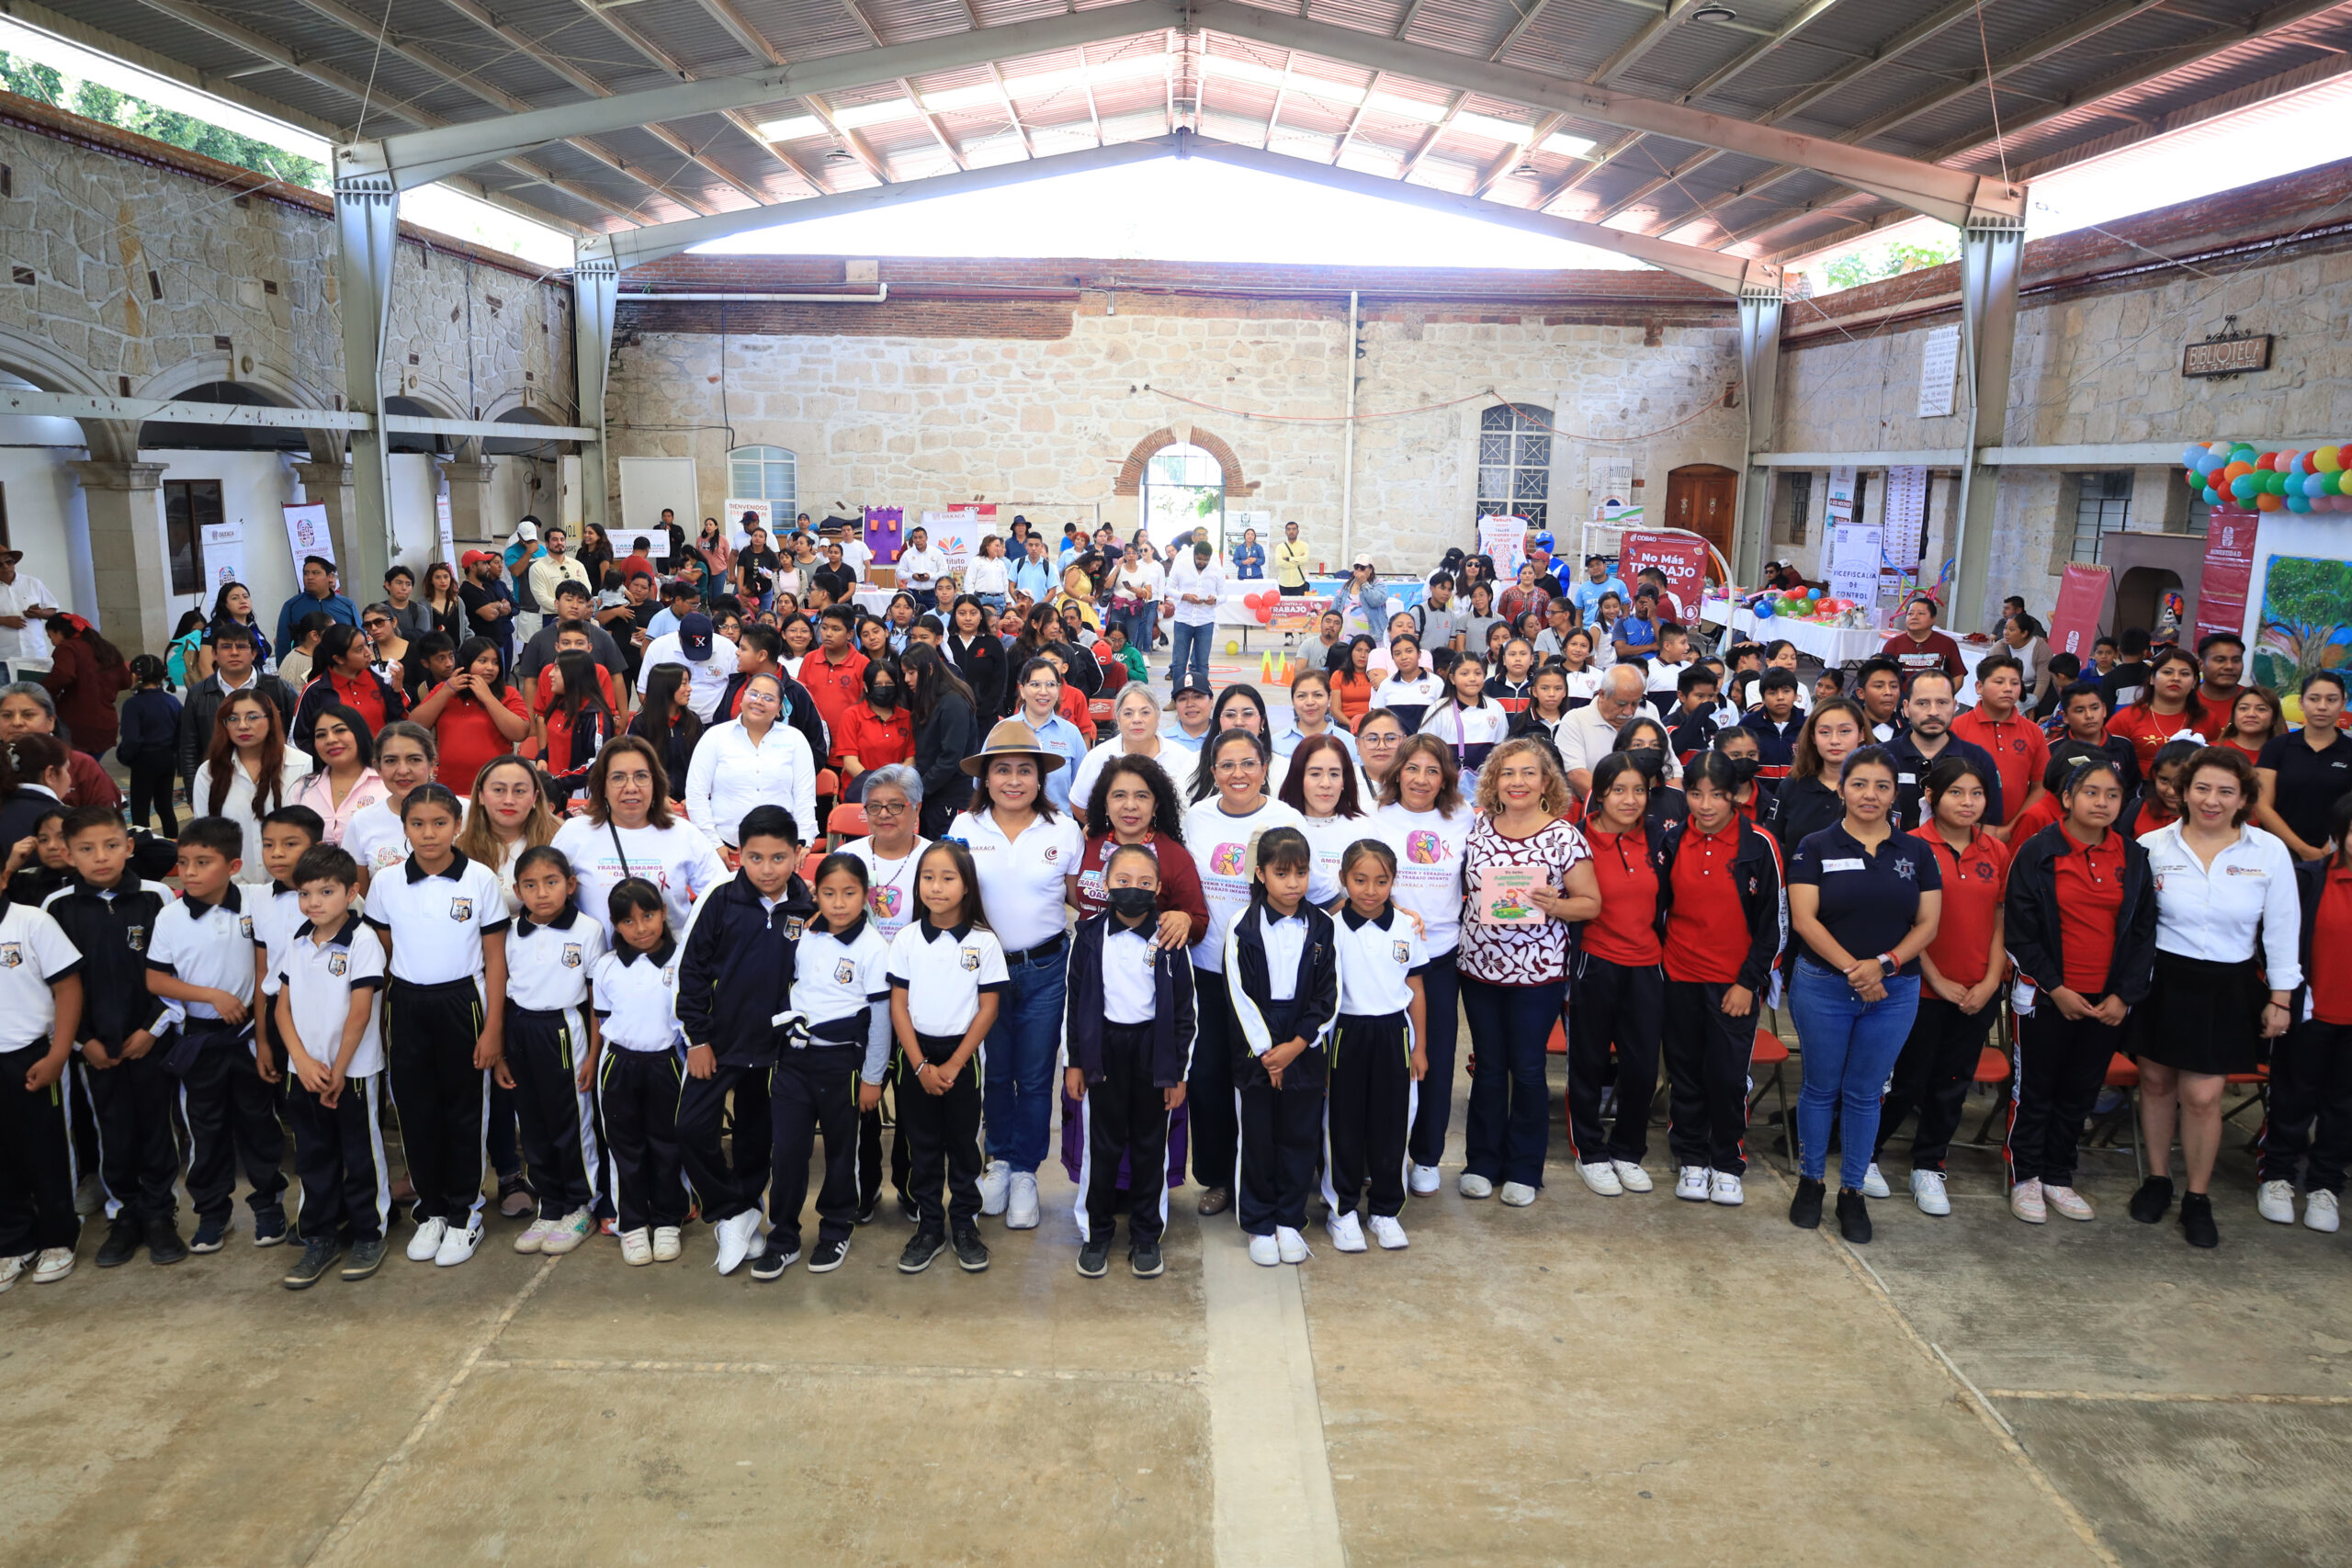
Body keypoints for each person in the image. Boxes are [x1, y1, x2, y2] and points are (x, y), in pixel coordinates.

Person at [2128, 747, 2301, 1248]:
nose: (2212, 800)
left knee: (2202, 1097)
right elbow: (2135, 926)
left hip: (2228, 983)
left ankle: (2197, 1197)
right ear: (2183, 792)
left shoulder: (2267, 851)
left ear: (2245, 797)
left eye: (2226, 791)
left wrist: (2282, 997)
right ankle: (2158, 1179)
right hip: (2163, 977)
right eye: (2202, 788)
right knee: (2156, 1084)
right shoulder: (2151, 845)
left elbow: (2283, 931)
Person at [1783, 747, 1943, 1245]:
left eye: (1881, 786)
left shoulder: (1916, 852)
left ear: (1895, 793)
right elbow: (1805, 920)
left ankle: (1851, 1190)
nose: (1869, 795)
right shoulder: (1815, 846)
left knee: (1865, 1092)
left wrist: (1885, 965)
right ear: (1842, 788)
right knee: (1820, 1087)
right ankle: (1811, 1181)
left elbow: (1928, 923)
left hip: (1894, 990)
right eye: (1859, 784)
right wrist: (1857, 969)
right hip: (1825, 986)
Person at [1998, 758, 2153, 1227]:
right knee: (2035, 1090)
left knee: (2079, 1092)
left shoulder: (2134, 856)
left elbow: (2144, 932)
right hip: (2048, 998)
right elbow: (2020, 932)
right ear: (2067, 798)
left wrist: (2123, 996)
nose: (2102, 803)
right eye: (2091, 793)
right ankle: (2025, 1175)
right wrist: (2057, 988)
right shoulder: (2039, 852)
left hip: (2106, 1003)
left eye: (2112, 795)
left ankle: (2058, 1174)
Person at [361, 783, 509, 1267]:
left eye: (440, 823)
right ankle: (432, 1211)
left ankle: (467, 1212)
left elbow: (494, 958)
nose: (428, 834)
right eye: (417, 824)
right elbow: (382, 946)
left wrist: (492, 1029)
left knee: (465, 1109)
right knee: (415, 1109)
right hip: (406, 1003)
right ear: (403, 828)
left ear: (458, 826)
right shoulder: (385, 883)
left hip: (462, 1003)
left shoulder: (480, 880)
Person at [949, 720, 1085, 1234]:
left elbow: (1079, 898)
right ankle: (999, 1161)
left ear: (1039, 778)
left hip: (1047, 969)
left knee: (1034, 1076)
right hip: (983, 972)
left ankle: (1027, 1170)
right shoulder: (964, 829)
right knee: (995, 1072)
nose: (1013, 780)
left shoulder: (1063, 830)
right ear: (985, 777)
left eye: (1024, 771)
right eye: (1001, 770)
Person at [1864, 755, 2007, 1215]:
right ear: (1931, 797)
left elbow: (2002, 919)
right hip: (1920, 988)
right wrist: (1938, 980)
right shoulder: (1909, 846)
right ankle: (1866, 1153)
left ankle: (1929, 1164)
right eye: (1956, 793)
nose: (1967, 803)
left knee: (1952, 1082)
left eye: (1976, 794)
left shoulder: (1996, 851)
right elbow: (1906, 922)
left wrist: (1989, 980)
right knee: (1906, 1081)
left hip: (1977, 990)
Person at [675, 804, 815, 1277]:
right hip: (718, 1042)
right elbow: (689, 970)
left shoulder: (809, 906)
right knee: (692, 1128)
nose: (768, 869)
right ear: (739, 856)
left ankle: (744, 1210)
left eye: (779, 858)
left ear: (798, 854)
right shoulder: (718, 898)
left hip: (776, 1049)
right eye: (756, 858)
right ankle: (731, 1210)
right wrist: (697, 1038)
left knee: (758, 1138)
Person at [144, 816, 289, 1252]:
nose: (188, 871)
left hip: (250, 1034)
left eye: (202, 862)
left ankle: (269, 1206)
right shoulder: (170, 916)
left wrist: (261, 1036)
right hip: (201, 1038)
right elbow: (156, 979)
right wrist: (211, 995)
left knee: (259, 1125)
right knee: (205, 1131)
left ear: (232, 866)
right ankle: (212, 1213)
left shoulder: (258, 902)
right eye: (183, 862)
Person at [48, 807, 180, 1266]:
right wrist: (85, 1042)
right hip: (96, 1048)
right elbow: (56, 986)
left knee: (156, 1127)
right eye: (86, 849)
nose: (100, 857)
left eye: (110, 846)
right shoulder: (57, 907)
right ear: (67, 854)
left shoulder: (157, 897)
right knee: (112, 1130)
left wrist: (151, 1029)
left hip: (151, 1040)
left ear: (128, 846)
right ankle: (124, 1214)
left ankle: (161, 1215)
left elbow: (177, 971)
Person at [1063, 841, 1195, 1279]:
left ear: (1158, 887)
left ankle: (1145, 1235)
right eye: (1122, 881)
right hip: (1103, 1049)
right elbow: (1074, 1002)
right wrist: (1074, 1063)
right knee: (1100, 1146)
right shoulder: (1086, 937)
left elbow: (1184, 1012)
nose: (1132, 889)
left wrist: (1178, 1072)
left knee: (1148, 1147)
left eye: (1143, 882)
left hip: (1153, 1053)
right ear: (1105, 885)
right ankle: (1096, 1232)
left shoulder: (1171, 939)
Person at [1657, 752, 1784, 1207]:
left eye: (1717, 794)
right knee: (1686, 1074)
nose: (1706, 804)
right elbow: (1659, 912)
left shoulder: (1760, 845)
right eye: (1695, 794)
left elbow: (1775, 923)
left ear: (1736, 795)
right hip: (1679, 977)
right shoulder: (1671, 842)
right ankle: (1691, 1157)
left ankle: (1727, 1161)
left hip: (1734, 985)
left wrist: (1749, 982)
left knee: (1728, 1078)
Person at [267, 842, 392, 1289]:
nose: (314, 902)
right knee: (313, 1156)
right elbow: (282, 1008)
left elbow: (360, 1012)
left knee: (361, 1156)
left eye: (326, 892)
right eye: (305, 893)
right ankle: (319, 1235)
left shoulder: (363, 942)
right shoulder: (297, 940)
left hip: (353, 1074)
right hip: (305, 1072)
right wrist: (300, 1060)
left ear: (352, 892)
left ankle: (368, 1233)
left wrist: (339, 1069)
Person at [763, 851, 894, 1275]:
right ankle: (782, 1237)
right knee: (787, 1152)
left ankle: (836, 1229)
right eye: (829, 893)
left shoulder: (874, 948)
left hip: (844, 1064)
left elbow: (879, 1019)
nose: (838, 903)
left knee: (842, 1152)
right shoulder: (803, 934)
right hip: (794, 1061)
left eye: (849, 893)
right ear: (815, 894)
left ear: (866, 896)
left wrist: (873, 1077)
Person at [1220, 825, 1337, 1267]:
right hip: (1256, 1045)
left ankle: (1290, 1219)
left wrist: (1297, 1045)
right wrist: (1270, 1052)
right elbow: (1238, 994)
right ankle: (1258, 1222)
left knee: (1299, 1135)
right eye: (1282, 873)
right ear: (1261, 874)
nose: (1293, 883)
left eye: (1301, 873)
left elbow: (1329, 994)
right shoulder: (1241, 926)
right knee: (1258, 1138)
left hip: (1303, 1041)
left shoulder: (1323, 925)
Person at [887, 840, 1005, 1275]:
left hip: (962, 1058)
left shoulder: (984, 943)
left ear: (967, 885)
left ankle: (964, 1223)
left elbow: (988, 1008)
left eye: (947, 878)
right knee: (922, 1145)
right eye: (927, 877)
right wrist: (918, 1065)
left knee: (963, 1145)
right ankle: (929, 1227)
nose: (936, 887)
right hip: (915, 1057)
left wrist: (954, 1064)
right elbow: (898, 1006)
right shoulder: (905, 939)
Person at [1566, 750, 1665, 1197]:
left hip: (1647, 965)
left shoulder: (1660, 840)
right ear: (1600, 794)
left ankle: (1628, 1150)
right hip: (1596, 961)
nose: (1630, 800)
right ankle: (1590, 1151)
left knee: (1642, 1067)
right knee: (1587, 1062)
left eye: (1639, 790)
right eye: (1619, 790)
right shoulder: (1576, 840)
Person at [838, 765, 928, 1221]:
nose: (886, 815)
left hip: (919, 1000)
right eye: (876, 807)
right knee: (863, 1098)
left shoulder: (935, 858)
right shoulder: (850, 857)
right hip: (859, 998)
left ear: (916, 809)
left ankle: (911, 1189)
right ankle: (864, 1187)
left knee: (913, 1101)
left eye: (897, 806)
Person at [2259, 794, 2352, 1232]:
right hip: (2311, 1012)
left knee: (2343, 1107)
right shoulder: (2308, 879)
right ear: (2341, 834)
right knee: (2292, 1098)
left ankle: (2325, 1185)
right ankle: (2277, 1176)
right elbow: (2278, 939)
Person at [590, 876, 688, 1266]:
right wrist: (591, 1061)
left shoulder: (682, 961)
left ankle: (668, 1220)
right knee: (624, 1147)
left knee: (668, 1144)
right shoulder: (607, 966)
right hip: (619, 1065)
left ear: (664, 914)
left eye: (648, 915)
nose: (641, 927)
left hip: (668, 1063)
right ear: (615, 926)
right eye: (628, 921)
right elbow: (601, 1020)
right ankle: (631, 1224)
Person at [550, 736, 727, 940]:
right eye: (618, 777)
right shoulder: (574, 833)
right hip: (595, 966)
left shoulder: (685, 834)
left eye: (641, 776)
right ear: (602, 786)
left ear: (655, 783)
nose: (631, 787)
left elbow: (721, 901)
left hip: (668, 964)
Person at [684, 671, 818, 858]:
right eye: (753, 694)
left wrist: (803, 840)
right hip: (726, 849)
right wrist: (713, 843)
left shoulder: (795, 739)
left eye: (769, 698)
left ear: (780, 708)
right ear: (742, 699)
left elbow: (805, 795)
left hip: (782, 849)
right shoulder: (715, 737)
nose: (759, 701)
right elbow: (696, 794)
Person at [179, 622, 300, 805]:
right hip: (219, 782)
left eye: (241, 646)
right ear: (214, 654)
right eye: (226, 647)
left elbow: (297, 737)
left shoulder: (278, 688)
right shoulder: (199, 694)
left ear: (253, 653)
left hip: (274, 779)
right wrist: (192, 795)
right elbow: (189, 747)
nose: (234, 652)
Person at [407, 636, 529, 791]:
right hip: (449, 785)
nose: (490, 667)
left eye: (495, 662)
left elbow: (520, 733)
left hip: (495, 785)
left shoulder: (508, 693)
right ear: (466, 662)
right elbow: (414, 726)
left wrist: (487, 697)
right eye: (483, 661)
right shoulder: (444, 691)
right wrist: (446, 691)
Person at [1886, 671, 2003, 831]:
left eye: (1942, 702)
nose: (1933, 712)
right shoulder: (1880, 758)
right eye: (1922, 703)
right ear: (1906, 708)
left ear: (1955, 706)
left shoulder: (1978, 759)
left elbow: (1988, 826)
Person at [1951, 653, 2050, 835]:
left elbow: (2040, 786)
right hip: (1964, 833)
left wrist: (2010, 829)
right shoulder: (1956, 729)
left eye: (2015, 683)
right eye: (1999, 682)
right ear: (1979, 686)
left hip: (2016, 834)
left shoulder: (2034, 732)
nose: (2008, 689)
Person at [2258, 671, 2351, 863]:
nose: (2322, 707)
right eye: (2314, 699)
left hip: (2337, 854)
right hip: (2277, 851)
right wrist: (2304, 850)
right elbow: (2262, 806)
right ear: (2301, 702)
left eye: (2331, 699)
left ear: (2343, 703)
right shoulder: (2277, 747)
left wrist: (2329, 848)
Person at [899, 643, 979, 840]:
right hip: (932, 795)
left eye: (911, 672)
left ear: (930, 669)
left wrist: (920, 790)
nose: (906, 679)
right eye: (904, 673)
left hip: (949, 798)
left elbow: (950, 758)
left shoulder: (953, 702)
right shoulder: (928, 697)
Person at [1769, 698, 1868, 855]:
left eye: (1844, 731)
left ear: (1861, 734)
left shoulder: (1877, 789)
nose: (1835, 741)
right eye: (1825, 732)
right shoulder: (1791, 787)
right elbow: (1774, 844)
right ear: (1813, 737)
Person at [289, 705, 390, 848]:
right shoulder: (303, 788)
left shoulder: (386, 784)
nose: (330, 740)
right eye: (321, 735)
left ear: (359, 733)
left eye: (340, 730)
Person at [40, 615, 131, 761]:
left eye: (51, 636)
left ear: (59, 632)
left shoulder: (68, 647)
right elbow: (126, 681)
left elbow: (63, 674)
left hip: (77, 726)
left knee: (75, 773)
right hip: (106, 724)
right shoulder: (105, 648)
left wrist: (39, 693)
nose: (52, 642)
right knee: (89, 771)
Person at [537, 647, 621, 805]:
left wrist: (558, 781)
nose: (550, 674)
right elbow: (556, 744)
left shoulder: (595, 715)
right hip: (553, 789)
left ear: (573, 675)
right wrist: (543, 758)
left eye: (556, 668)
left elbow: (597, 762)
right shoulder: (559, 704)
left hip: (578, 796)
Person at [2109, 646, 2211, 773]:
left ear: (2195, 681)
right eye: (2167, 672)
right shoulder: (2125, 718)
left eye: (2184, 674)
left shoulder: (2207, 718)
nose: (2176, 678)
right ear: (2152, 678)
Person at [114, 656, 180, 835]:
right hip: (168, 759)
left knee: (140, 809)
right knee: (165, 806)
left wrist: (125, 756)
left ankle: (144, 848)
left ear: (135, 675)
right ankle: (172, 845)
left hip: (144, 761)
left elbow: (131, 739)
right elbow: (181, 733)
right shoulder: (172, 701)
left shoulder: (133, 705)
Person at [2048, 681, 2140, 801]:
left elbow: (2131, 790)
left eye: (2095, 708)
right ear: (2065, 717)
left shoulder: (2123, 746)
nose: (2089, 715)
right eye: (2080, 710)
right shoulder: (2053, 751)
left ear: (2104, 710)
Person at [628, 664, 703, 799]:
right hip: (650, 799)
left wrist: (694, 796)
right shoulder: (641, 724)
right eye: (683, 684)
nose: (689, 689)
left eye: (689, 683)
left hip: (688, 800)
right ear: (665, 687)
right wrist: (656, 795)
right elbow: (632, 766)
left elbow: (702, 765)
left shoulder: (693, 721)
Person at [1164, 539, 1223, 694]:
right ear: (1194, 555)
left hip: (1205, 621)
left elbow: (1224, 595)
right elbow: (1168, 589)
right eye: (1199, 559)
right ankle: (1176, 697)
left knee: (1202, 663)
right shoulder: (1182, 565)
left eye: (1206, 560)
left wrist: (1214, 599)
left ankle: (1202, 696)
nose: (1202, 563)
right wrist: (1185, 596)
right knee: (1179, 662)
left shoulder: (1217, 569)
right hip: (1183, 620)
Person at [0, 547, 63, 683]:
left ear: (14, 563)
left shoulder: (32, 583)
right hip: (3, 658)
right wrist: (3, 621)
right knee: (5, 702)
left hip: (35, 655)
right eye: (0, 564)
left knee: (37, 700)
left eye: (8, 562)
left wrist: (39, 613)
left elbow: (52, 611)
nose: (5, 567)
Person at [276, 556, 358, 653]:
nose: (309, 577)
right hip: (307, 665)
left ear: (330, 577)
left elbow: (359, 636)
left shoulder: (347, 605)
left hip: (342, 664)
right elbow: (283, 643)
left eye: (316, 573)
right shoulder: (291, 606)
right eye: (306, 573)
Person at [944, 593, 1008, 719]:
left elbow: (1000, 681)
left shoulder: (993, 643)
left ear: (981, 616)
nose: (968, 618)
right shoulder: (946, 643)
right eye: (962, 613)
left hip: (986, 716)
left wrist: (986, 710)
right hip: (951, 714)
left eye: (973, 613)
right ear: (955, 615)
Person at [1881, 594, 1965, 682]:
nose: (1914, 617)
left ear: (1933, 618)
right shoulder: (1893, 644)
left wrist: (1946, 694)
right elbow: (1881, 675)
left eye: (1921, 613)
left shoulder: (1947, 644)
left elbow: (1958, 676)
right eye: (1910, 614)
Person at [2217, 686, 2285, 766]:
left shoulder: (2285, 756)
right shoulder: (2214, 750)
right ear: (2234, 715)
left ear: (2274, 717)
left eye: (2261, 709)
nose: (2251, 714)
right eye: (2243, 708)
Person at [1274, 520, 1311, 598]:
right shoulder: (1280, 547)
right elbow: (1279, 563)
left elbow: (1305, 559)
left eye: (1294, 529)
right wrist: (1297, 562)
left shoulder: (1304, 546)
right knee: (1284, 609)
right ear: (1285, 532)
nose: (1291, 531)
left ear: (1298, 531)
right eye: (1289, 529)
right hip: (1284, 583)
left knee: (1299, 608)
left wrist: (1289, 559)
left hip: (1299, 583)